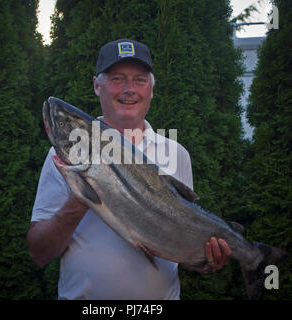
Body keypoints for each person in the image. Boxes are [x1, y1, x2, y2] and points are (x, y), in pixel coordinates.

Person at [26, 39, 232, 300]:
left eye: (139, 80)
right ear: (96, 85)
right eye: (117, 79)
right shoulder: (59, 157)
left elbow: (177, 249)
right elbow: (39, 253)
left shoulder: (176, 154)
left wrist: (206, 258)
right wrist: (81, 198)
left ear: (151, 89)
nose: (129, 89)